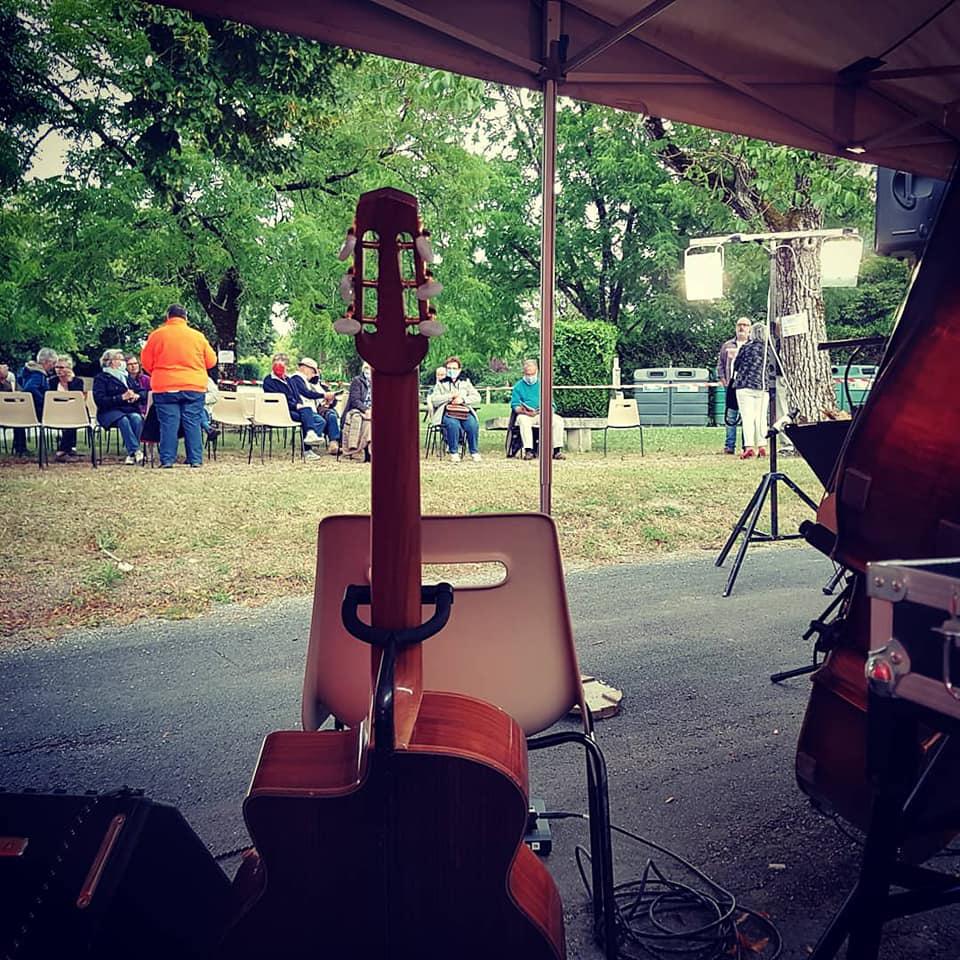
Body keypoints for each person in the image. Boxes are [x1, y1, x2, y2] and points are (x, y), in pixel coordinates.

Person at [140, 304, 216, 468]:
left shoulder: (156, 335)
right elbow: (211, 361)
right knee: (193, 422)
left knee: (168, 423)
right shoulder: (197, 336)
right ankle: (195, 459)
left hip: (165, 386)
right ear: (185, 318)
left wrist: (160, 372)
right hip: (193, 386)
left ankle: (167, 460)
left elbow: (146, 363)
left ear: (168, 317)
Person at [262, 352, 327, 461]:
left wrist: (299, 404)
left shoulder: (289, 380)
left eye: (282, 365)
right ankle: (308, 447)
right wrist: (295, 405)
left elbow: (297, 396)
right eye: (276, 364)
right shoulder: (268, 381)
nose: (279, 368)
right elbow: (278, 399)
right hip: (280, 411)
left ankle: (310, 436)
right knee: (306, 415)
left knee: (309, 413)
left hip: (295, 410)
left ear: (286, 367)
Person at [92, 349, 146, 464]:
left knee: (136, 418)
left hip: (128, 410)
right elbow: (100, 400)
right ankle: (135, 451)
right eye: (119, 359)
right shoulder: (101, 378)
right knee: (123, 420)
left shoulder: (127, 377)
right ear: (110, 362)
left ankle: (131, 455)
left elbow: (142, 392)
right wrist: (121, 397)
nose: (123, 362)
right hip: (109, 412)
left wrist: (136, 395)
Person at [509, 358, 565, 460]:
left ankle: (557, 451)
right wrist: (525, 411)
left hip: (542, 414)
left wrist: (545, 411)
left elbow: (552, 405)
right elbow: (515, 405)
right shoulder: (518, 386)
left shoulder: (544, 385)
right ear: (524, 372)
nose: (530, 376)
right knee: (523, 420)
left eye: (532, 373)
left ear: (537, 371)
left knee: (558, 420)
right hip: (526, 415)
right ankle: (528, 451)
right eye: (527, 374)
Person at [429, 355, 481, 462]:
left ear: (459, 370)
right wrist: (449, 396)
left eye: (454, 368)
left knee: (472, 424)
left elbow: (477, 397)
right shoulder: (441, 384)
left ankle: (474, 452)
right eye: (449, 368)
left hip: (463, 411)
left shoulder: (465, 382)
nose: (452, 371)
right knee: (453, 425)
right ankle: (454, 452)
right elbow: (434, 400)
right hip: (448, 412)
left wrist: (463, 399)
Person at [731, 321, 771, 460]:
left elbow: (736, 365)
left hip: (744, 385)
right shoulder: (768, 349)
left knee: (747, 418)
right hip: (761, 386)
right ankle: (762, 445)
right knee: (761, 418)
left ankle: (748, 447)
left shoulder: (745, 347)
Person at [288, 357, 340, 456]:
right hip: (304, 410)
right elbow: (307, 393)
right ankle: (308, 444)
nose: (314, 375)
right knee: (321, 421)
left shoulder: (305, 381)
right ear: (304, 368)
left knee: (329, 416)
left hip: (313, 409)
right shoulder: (296, 378)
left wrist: (325, 402)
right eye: (313, 371)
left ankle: (333, 443)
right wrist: (323, 395)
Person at [12, 347, 57, 455]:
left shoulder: (26, 371)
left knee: (19, 419)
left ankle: (20, 448)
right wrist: (43, 401)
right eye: (53, 363)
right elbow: (30, 388)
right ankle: (66, 447)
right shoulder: (38, 374)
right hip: (35, 409)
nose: (54, 366)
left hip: (21, 409)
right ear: (47, 362)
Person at [717, 318, 751, 454]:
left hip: (747, 385)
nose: (742, 328)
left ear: (750, 328)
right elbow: (720, 364)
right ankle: (729, 445)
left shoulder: (753, 345)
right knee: (731, 416)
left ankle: (746, 445)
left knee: (746, 416)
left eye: (745, 325)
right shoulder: (727, 345)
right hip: (731, 385)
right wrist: (723, 379)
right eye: (739, 325)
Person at [51, 355, 85, 462]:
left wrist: (70, 382)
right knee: (70, 416)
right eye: (57, 367)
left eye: (62, 367)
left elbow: (77, 398)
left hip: (72, 410)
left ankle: (65, 450)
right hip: (55, 410)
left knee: (72, 415)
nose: (58, 370)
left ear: (69, 368)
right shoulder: (51, 381)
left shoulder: (77, 382)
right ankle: (65, 450)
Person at [340, 361, 372, 461]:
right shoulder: (357, 381)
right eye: (368, 368)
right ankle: (361, 450)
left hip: (372, 410)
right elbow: (355, 401)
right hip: (357, 409)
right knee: (367, 422)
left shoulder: (380, 381)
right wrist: (366, 410)